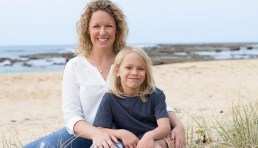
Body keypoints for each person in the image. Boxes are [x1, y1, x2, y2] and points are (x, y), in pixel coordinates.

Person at [24, 0, 185, 147]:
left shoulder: (128, 63)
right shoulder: (74, 66)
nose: (103, 32)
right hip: (84, 134)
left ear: (117, 29)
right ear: (87, 30)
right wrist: (96, 134)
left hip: (125, 136)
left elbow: (153, 95)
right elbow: (72, 117)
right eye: (96, 26)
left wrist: (178, 125)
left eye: (108, 26)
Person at [92, 46, 173, 148]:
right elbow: (100, 130)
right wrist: (122, 133)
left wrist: (150, 136)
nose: (134, 73)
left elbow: (165, 127)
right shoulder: (110, 98)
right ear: (117, 71)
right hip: (125, 142)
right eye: (128, 67)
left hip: (153, 140)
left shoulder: (156, 95)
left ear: (146, 73)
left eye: (140, 68)